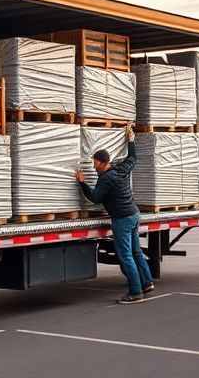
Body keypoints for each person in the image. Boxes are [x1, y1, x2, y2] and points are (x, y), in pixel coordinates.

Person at [75, 125, 155, 304]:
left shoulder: (105, 179)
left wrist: (82, 183)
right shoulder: (121, 169)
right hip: (134, 214)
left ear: (103, 163)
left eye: (95, 163)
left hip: (122, 219)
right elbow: (133, 157)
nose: (94, 166)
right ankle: (147, 282)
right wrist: (131, 140)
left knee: (125, 255)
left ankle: (135, 292)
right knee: (136, 252)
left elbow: (95, 198)